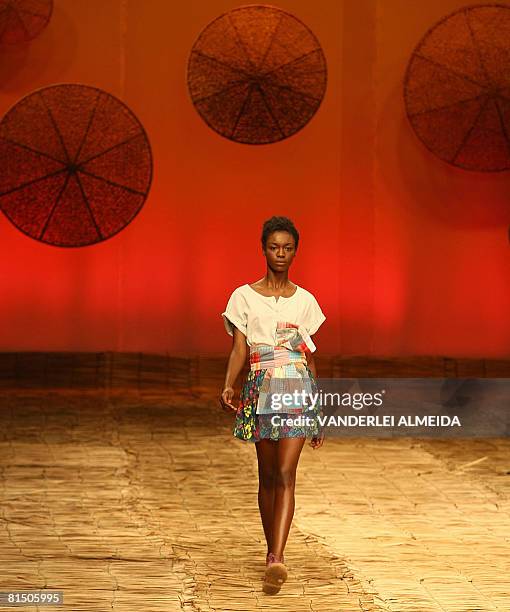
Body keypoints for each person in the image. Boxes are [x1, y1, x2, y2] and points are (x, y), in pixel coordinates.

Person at [219, 215, 326, 595]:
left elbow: (309, 356)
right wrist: (229, 384)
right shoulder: (243, 296)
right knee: (266, 475)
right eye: (274, 247)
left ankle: (277, 558)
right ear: (263, 249)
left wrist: (317, 411)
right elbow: (239, 348)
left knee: (284, 472)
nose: (281, 253)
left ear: (296, 251)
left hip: (296, 385)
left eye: (288, 247)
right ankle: (271, 551)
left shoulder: (306, 301)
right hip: (260, 384)